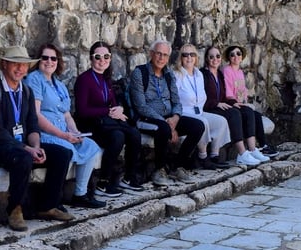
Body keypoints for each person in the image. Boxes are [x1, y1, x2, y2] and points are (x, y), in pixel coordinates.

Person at [0, 46, 75, 231]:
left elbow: (32, 125)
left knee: (62, 153)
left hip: (22, 145)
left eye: (23, 65)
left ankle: (48, 206)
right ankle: (15, 209)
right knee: (23, 159)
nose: (20, 69)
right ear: (5, 65)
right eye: (15, 64)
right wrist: (27, 150)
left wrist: (37, 147)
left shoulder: (27, 92)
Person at [25, 43, 106, 209]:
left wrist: (75, 132)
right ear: (39, 60)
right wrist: (63, 136)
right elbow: (36, 115)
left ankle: (80, 194)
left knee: (90, 146)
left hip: (64, 131)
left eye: (53, 58)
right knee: (65, 150)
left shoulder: (59, 84)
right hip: (46, 132)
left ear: (58, 61)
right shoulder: (34, 79)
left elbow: (67, 114)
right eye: (45, 58)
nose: (49, 61)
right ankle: (55, 198)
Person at [129, 39, 206, 187]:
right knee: (163, 129)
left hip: (169, 118)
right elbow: (141, 106)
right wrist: (167, 124)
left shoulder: (169, 75)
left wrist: (176, 118)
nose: (161, 58)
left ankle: (178, 166)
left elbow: (177, 102)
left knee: (198, 126)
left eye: (165, 55)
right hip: (148, 118)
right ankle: (159, 170)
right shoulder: (140, 73)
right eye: (158, 54)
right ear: (151, 54)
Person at [73, 41, 145, 197]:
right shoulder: (84, 80)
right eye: (97, 56)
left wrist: (119, 109)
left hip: (106, 123)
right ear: (91, 59)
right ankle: (103, 183)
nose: (102, 60)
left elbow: (112, 102)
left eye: (106, 56)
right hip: (90, 125)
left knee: (134, 134)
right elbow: (82, 110)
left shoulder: (105, 79)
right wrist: (108, 111)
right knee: (117, 137)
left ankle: (129, 177)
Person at [171, 43, 231, 169]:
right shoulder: (177, 75)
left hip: (198, 111)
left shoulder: (198, 75)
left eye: (192, 54)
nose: (189, 57)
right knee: (202, 122)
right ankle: (203, 157)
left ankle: (214, 155)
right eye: (185, 55)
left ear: (196, 58)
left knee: (221, 121)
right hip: (185, 113)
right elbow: (173, 100)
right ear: (181, 58)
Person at [202, 45, 264, 166]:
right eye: (211, 57)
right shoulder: (203, 74)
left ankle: (252, 150)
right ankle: (242, 154)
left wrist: (234, 103)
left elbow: (225, 96)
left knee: (247, 111)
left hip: (220, 105)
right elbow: (201, 97)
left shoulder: (219, 74)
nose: (215, 59)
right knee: (234, 114)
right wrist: (216, 103)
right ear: (206, 59)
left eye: (218, 56)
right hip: (209, 107)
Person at [219, 45, 275, 159]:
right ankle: (251, 149)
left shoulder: (240, 72)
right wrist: (235, 102)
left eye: (238, 54)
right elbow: (228, 91)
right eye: (232, 54)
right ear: (229, 58)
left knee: (257, 115)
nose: (236, 56)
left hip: (240, 103)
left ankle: (263, 145)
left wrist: (244, 102)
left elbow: (243, 91)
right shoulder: (226, 70)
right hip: (231, 103)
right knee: (249, 113)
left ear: (242, 56)